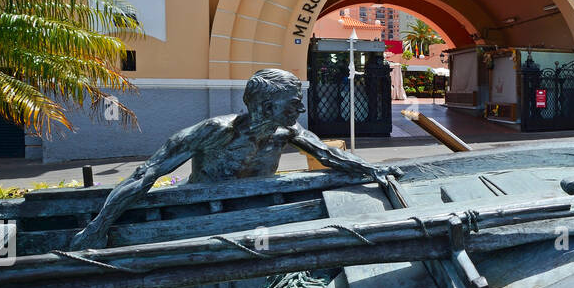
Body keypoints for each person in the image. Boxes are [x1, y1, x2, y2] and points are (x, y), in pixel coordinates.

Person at [70, 69, 402, 249]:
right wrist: (98, 227)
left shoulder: (287, 131)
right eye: (292, 102)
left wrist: (377, 170)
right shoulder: (216, 131)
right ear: (265, 104)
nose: (300, 109)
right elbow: (145, 175)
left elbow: (331, 156)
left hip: (255, 216)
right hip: (199, 216)